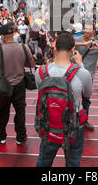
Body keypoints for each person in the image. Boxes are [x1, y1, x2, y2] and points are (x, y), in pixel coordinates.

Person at [34, 32, 92, 167]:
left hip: (49, 123)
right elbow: (87, 94)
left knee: (44, 160)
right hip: (74, 125)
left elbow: (40, 92)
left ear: (54, 47)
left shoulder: (41, 72)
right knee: (73, 162)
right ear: (73, 50)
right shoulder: (82, 73)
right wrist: (81, 65)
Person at [0, 23, 34, 145]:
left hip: (3, 86)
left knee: (3, 112)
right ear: (13, 34)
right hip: (20, 84)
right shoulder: (24, 47)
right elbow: (31, 64)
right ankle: (21, 136)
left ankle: (0, 136)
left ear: (2, 36)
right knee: (20, 111)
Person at [75, 23, 98, 130]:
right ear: (82, 29)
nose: (87, 31)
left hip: (88, 77)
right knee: (74, 98)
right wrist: (84, 43)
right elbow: (66, 43)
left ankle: (84, 120)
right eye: (85, 28)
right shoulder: (76, 39)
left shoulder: (96, 42)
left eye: (90, 29)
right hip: (75, 74)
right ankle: (73, 120)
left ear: (94, 32)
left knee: (86, 100)